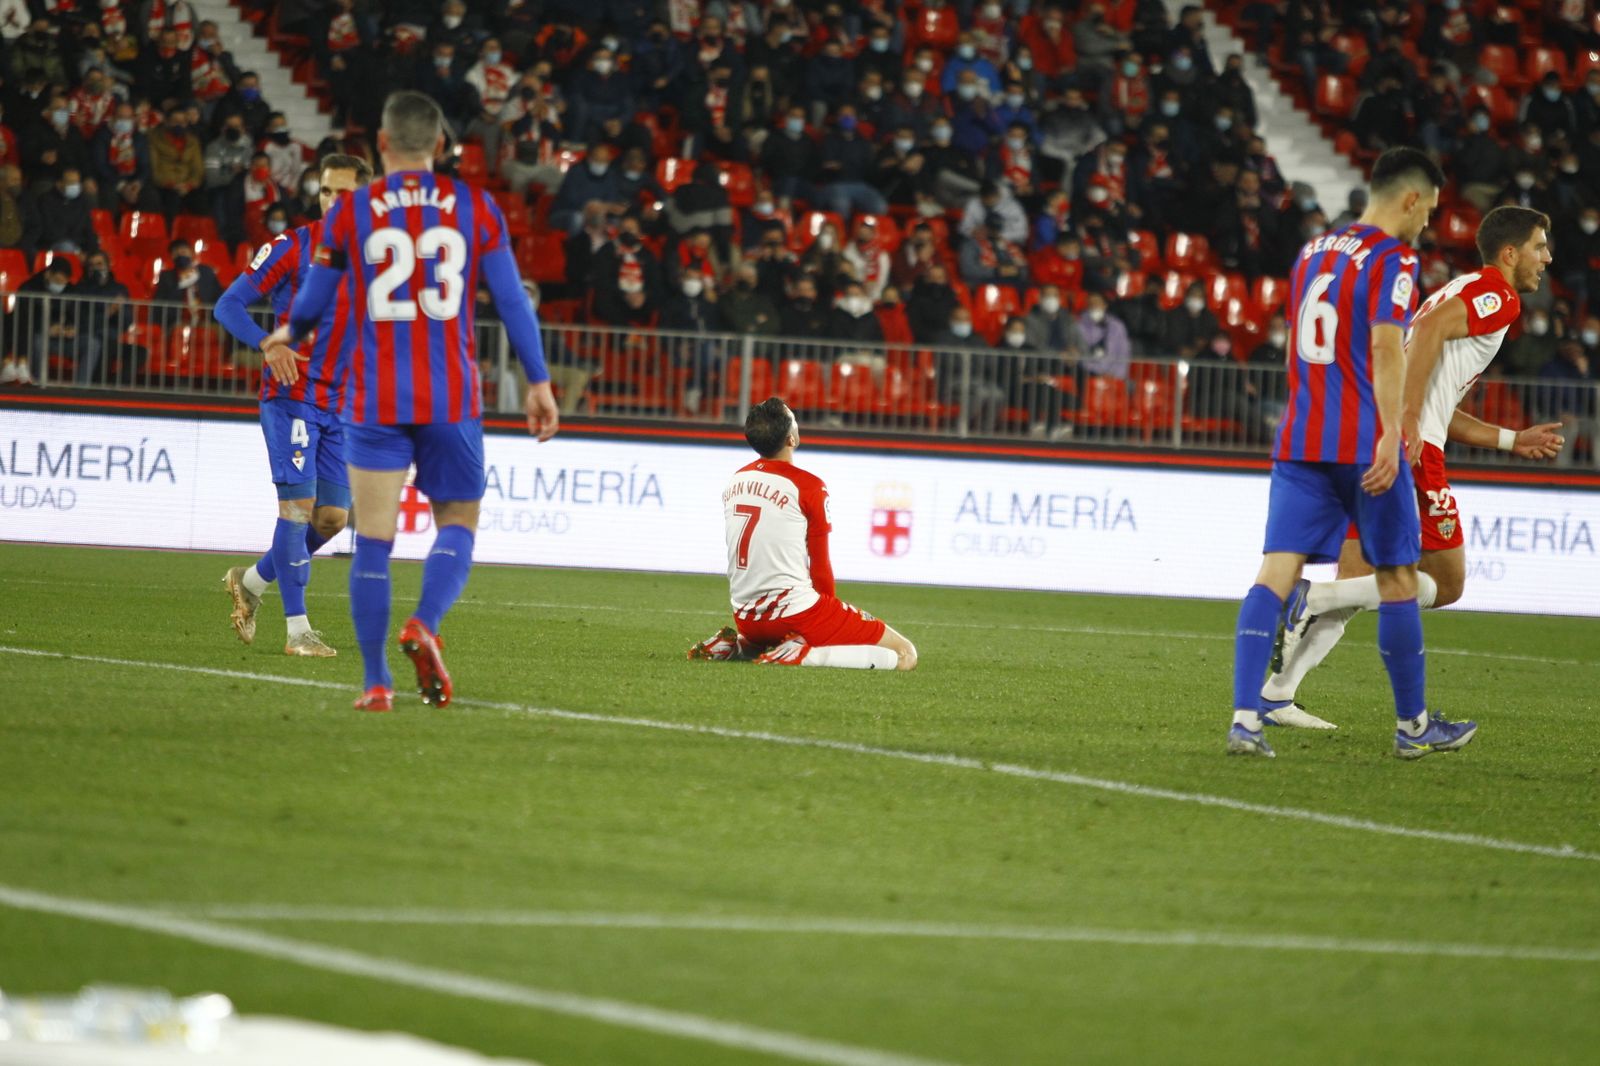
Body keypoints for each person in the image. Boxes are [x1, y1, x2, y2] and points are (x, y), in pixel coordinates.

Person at [263, 91, 561, 712]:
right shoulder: (474, 206)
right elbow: (512, 300)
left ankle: (376, 683)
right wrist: (538, 381)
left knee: (372, 539)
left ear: (381, 143)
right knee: (457, 521)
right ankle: (424, 621)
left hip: (374, 395)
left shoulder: (353, 211)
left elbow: (314, 299)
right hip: (450, 394)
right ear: (442, 145)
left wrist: (287, 332)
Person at [1261, 207, 1566, 727]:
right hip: (1409, 447)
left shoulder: (1457, 289)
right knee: (1446, 584)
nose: (1547, 258)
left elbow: (1440, 398)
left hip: (1370, 437)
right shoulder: (1498, 295)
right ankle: (1313, 597)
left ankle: (1276, 695)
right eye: (1539, 247)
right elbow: (1425, 332)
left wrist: (1511, 439)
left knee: (1357, 580)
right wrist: (1408, 420)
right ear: (1510, 253)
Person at [1225, 147, 1469, 761]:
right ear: (1409, 199)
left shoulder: (1313, 250)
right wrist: (1390, 431)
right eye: (1429, 210)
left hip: (1300, 438)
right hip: (1362, 444)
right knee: (1396, 579)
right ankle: (1413, 728)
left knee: (1274, 574)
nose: (1427, 224)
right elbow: (1387, 347)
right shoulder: (1394, 258)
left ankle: (1245, 720)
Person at [214, 154, 373, 658]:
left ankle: (251, 583)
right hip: (292, 397)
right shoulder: (293, 246)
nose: (333, 202)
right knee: (298, 511)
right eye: (326, 192)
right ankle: (298, 630)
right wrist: (268, 343)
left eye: (344, 194)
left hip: (341, 405)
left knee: (332, 519)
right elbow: (228, 304)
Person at [687, 398, 918, 670]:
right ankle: (803, 654)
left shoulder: (735, 480)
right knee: (906, 654)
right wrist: (826, 619)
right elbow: (820, 565)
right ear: (791, 439)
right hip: (797, 613)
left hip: (746, 618)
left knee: (771, 633)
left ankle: (739, 646)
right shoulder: (809, 487)